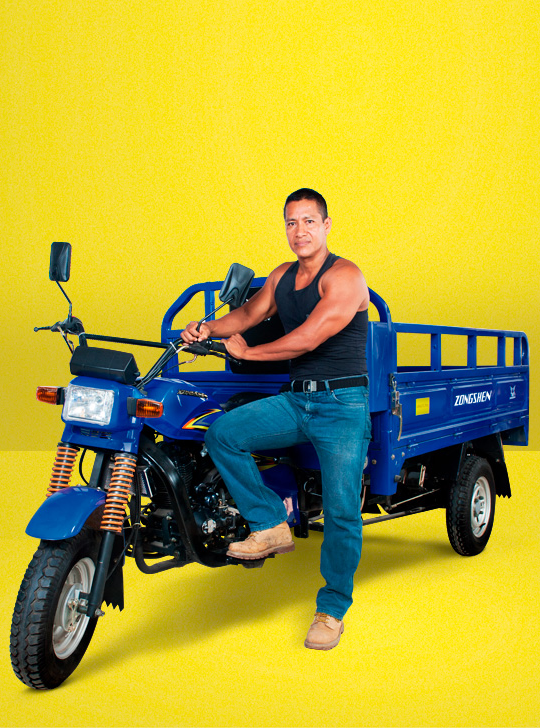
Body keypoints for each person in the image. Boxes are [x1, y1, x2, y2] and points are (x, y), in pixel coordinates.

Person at [180, 188, 371, 650]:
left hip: (342, 404)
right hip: (297, 400)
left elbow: (308, 338)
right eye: (291, 222)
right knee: (223, 434)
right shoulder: (283, 275)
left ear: (326, 225)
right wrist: (206, 329)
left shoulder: (345, 276)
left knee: (342, 511)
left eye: (309, 221)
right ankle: (270, 524)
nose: (299, 231)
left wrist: (250, 354)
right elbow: (249, 313)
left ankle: (332, 610)